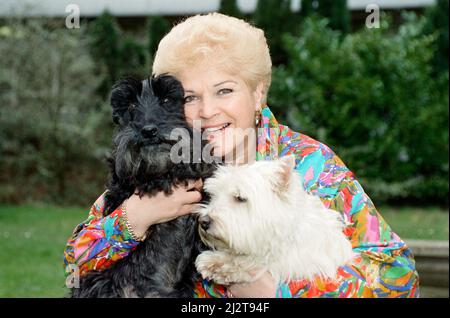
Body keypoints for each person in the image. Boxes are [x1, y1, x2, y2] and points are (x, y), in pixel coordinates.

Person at [64, 13, 419, 298]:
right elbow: (74, 267)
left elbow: (399, 278)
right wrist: (133, 219)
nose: (207, 111)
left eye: (224, 90)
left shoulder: (311, 165)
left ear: (257, 92)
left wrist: (279, 291)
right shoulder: (164, 162)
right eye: (190, 97)